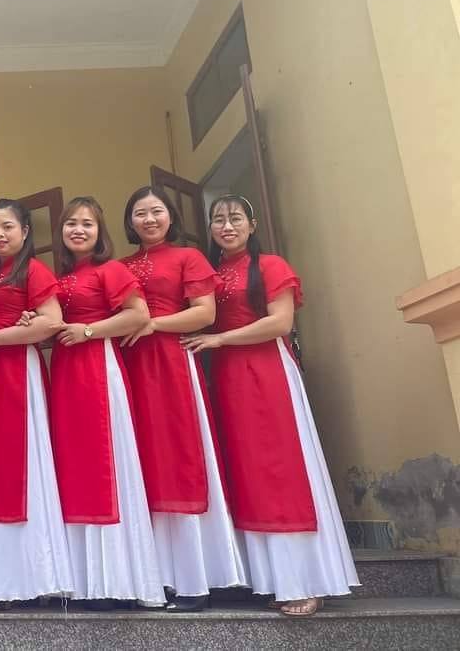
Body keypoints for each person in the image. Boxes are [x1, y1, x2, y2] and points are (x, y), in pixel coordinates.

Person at [182, 195, 359, 616]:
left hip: (267, 372)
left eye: (235, 219)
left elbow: (280, 322)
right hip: (228, 376)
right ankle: (266, 578)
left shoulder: (271, 266)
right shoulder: (212, 273)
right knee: (246, 472)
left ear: (253, 224)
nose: (227, 226)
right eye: (218, 220)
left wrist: (220, 339)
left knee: (280, 468)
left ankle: (304, 579)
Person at [119, 186, 246, 610]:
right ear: (129, 221)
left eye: (156, 211)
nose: (149, 219)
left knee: (180, 456)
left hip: (172, 361)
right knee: (144, 462)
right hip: (130, 367)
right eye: (140, 213)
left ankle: (195, 578)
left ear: (171, 216)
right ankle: (154, 577)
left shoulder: (188, 257)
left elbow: (205, 313)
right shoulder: (120, 266)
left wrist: (153, 324)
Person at [46, 196, 166, 608]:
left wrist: (88, 332)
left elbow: (138, 315)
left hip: (98, 368)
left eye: (87, 224)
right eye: (71, 223)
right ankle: (82, 580)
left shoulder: (110, 270)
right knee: (74, 466)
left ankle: (116, 578)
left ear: (100, 232)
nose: (78, 230)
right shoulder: (61, 279)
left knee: (105, 464)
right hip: (66, 375)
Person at [0, 199, 73, 615]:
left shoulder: (34, 270)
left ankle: (23, 579)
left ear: (25, 231)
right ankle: (3, 575)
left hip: (16, 374)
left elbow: (51, 322)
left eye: (7, 226)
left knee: (19, 469)